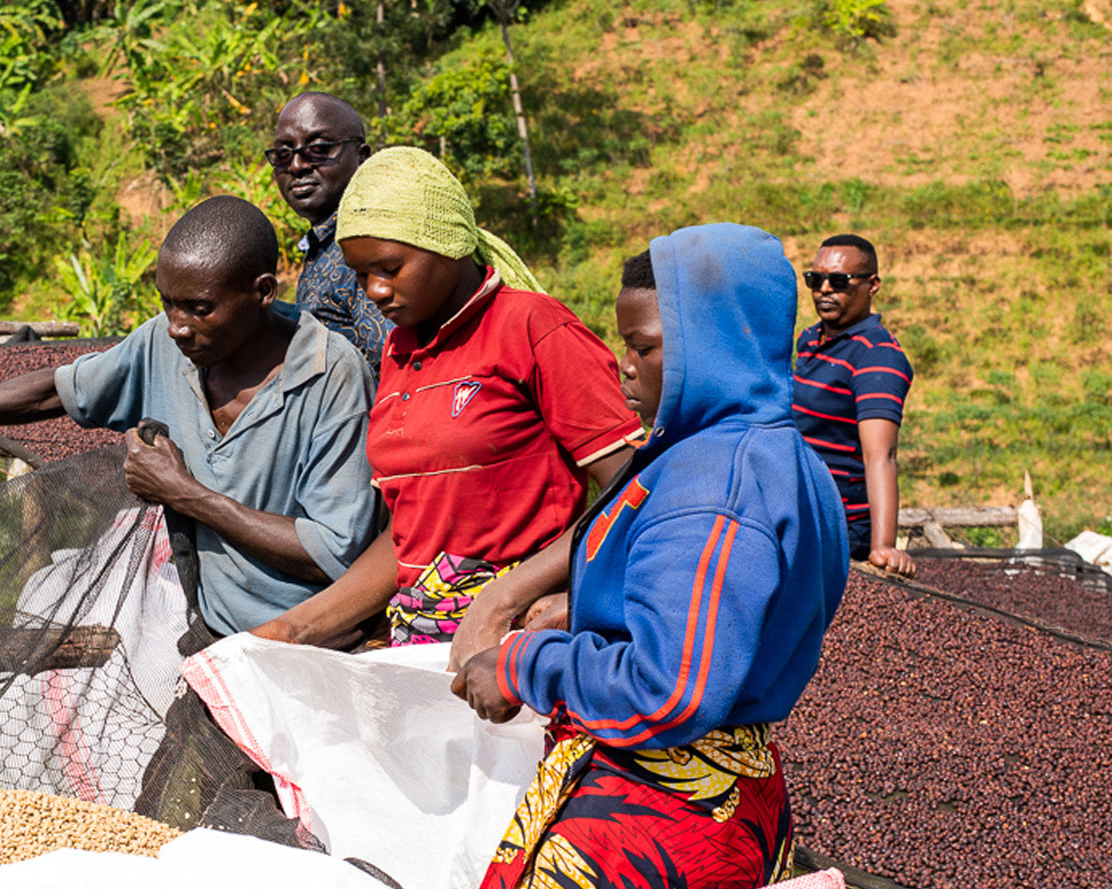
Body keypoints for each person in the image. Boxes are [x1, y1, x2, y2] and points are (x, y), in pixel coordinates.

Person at [455, 224, 849, 889]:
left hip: (653, 815)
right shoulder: (789, 462)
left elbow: (670, 688)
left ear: (713, 347)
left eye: (645, 347)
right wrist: (588, 608)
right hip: (738, 797)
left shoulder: (712, 484)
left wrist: (525, 663)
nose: (625, 365)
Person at [0, 195, 378, 636]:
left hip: (298, 635)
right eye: (167, 302)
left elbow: (333, 553)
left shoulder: (330, 375)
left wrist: (185, 495)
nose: (177, 326)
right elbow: (55, 391)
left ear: (262, 292)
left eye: (199, 309)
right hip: (198, 612)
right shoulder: (165, 344)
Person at [251, 147, 642, 649]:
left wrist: (504, 599)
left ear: (447, 243)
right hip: (422, 635)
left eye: (389, 268)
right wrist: (290, 630)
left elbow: (632, 487)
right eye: (361, 274)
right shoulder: (399, 352)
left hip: (517, 638)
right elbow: (411, 537)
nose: (375, 290)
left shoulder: (532, 327)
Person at [793, 234, 916, 577]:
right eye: (815, 280)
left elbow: (881, 455)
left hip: (840, 528)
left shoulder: (877, 357)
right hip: (803, 513)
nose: (824, 290)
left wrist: (883, 546)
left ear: (872, 285)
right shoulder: (810, 339)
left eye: (839, 281)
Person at [267, 92, 392, 370]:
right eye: (283, 154)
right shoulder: (324, 243)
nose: (296, 166)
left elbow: (395, 364)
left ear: (361, 157)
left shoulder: (369, 246)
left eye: (319, 149)